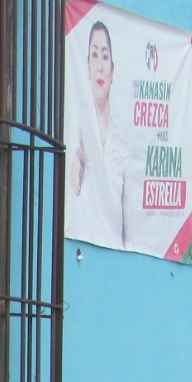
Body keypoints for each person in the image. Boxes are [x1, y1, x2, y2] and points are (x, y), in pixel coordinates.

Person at [67, 19, 125, 250]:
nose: (100, 65)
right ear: (87, 66)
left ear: (113, 70)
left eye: (104, 56)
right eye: (94, 55)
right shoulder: (75, 124)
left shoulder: (122, 133)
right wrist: (77, 170)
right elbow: (73, 188)